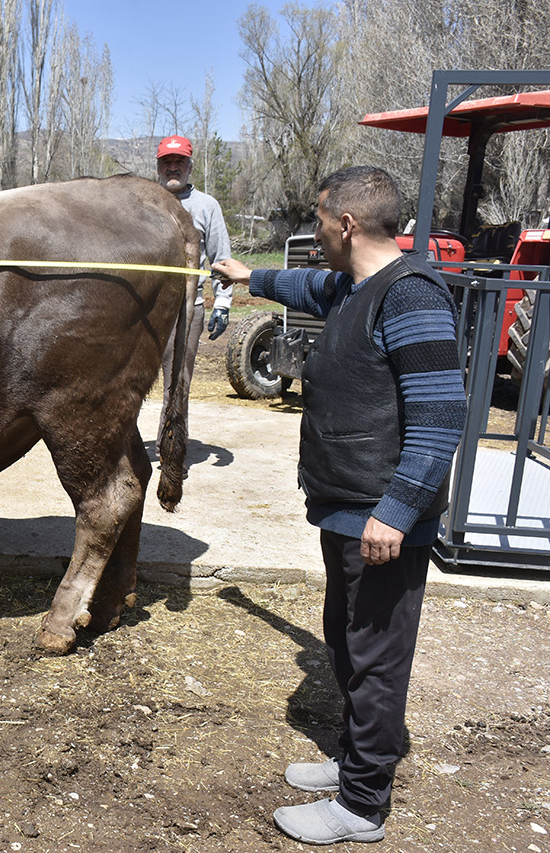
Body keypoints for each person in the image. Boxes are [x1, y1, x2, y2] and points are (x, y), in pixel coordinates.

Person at [213, 166, 466, 845]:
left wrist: (397, 510)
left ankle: (361, 806)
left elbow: (442, 418)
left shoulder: (410, 296)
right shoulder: (357, 286)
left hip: (381, 521)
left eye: (321, 219)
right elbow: (305, 284)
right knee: (349, 647)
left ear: (347, 225)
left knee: (377, 660)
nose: (317, 231)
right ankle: (354, 763)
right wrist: (248, 277)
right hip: (346, 510)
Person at [155, 135, 233, 443]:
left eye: (179, 162)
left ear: (190, 166)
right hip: (144, 309)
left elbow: (222, 258)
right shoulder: (141, 201)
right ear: (158, 166)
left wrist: (223, 303)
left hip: (186, 309)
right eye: (166, 162)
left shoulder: (206, 206)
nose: (173, 168)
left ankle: (171, 446)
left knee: (178, 383)